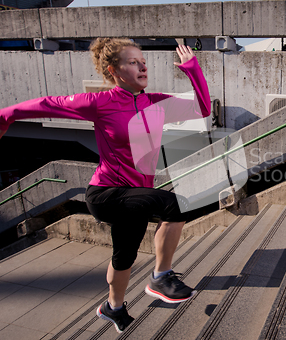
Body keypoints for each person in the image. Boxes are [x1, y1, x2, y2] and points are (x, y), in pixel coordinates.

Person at [0, 38, 211, 333]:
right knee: (173, 205)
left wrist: (192, 69)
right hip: (106, 193)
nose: (142, 66)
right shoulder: (100, 103)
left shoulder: (156, 104)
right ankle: (161, 277)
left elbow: (202, 108)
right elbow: (49, 104)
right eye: (133, 62)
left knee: (124, 257)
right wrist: (5, 115)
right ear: (114, 70)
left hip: (134, 196)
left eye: (143, 61)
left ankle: (113, 307)